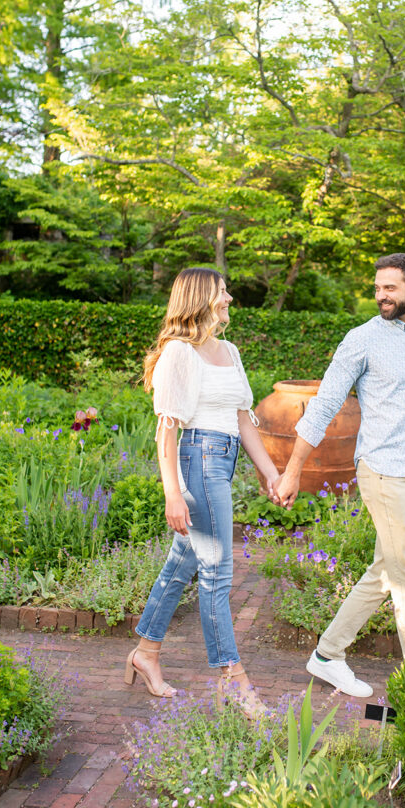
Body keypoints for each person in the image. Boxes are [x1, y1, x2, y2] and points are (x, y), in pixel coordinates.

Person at [274, 253, 405, 698]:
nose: (380, 296)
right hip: (384, 471)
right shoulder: (362, 339)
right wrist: (292, 470)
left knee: (386, 572)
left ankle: (328, 654)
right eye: (377, 288)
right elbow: (324, 406)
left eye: (389, 288)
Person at [125, 267, 280, 718]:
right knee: (217, 573)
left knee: (183, 563)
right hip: (198, 464)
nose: (230, 297)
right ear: (200, 298)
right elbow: (166, 433)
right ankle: (233, 678)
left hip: (222, 461)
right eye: (222, 292)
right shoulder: (179, 353)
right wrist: (173, 492)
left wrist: (270, 473)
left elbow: (242, 419)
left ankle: (146, 652)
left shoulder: (228, 350)